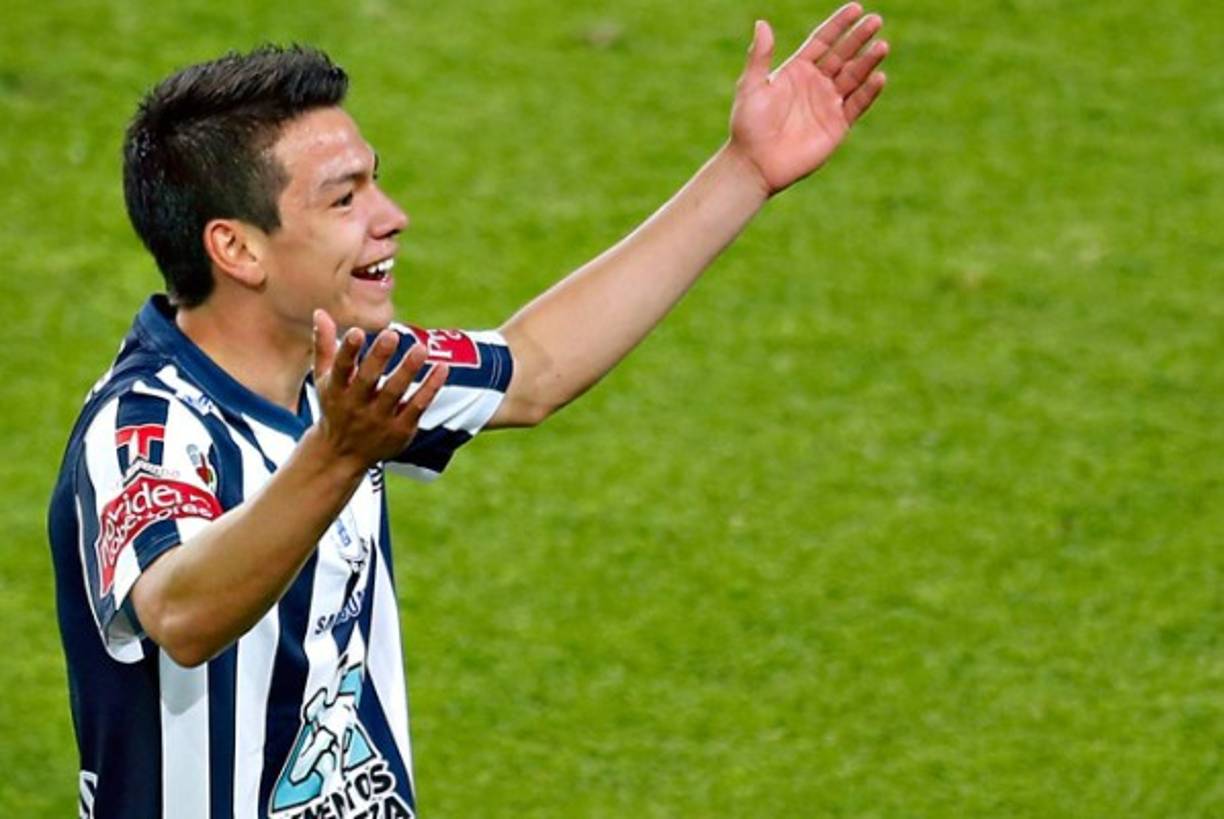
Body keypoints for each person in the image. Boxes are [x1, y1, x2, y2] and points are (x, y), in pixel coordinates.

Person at [47, 5, 887, 817]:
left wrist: (744, 172)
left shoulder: (350, 369)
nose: (391, 218)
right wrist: (338, 454)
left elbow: (534, 366)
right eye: (344, 200)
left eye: (375, 182)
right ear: (236, 247)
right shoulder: (145, 426)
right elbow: (181, 611)